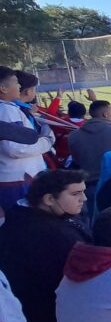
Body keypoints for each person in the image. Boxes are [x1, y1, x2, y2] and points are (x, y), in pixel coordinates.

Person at [0, 170, 90, 322]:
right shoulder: (52, 235)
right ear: (49, 199)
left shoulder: (22, 216)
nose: (84, 198)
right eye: (76, 194)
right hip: (49, 313)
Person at [0, 66, 55, 216]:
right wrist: (47, 142)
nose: (19, 86)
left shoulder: (9, 108)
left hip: (14, 178)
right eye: (16, 82)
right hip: (16, 180)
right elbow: (16, 148)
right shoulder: (6, 110)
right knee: (25, 223)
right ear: (3, 88)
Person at [68, 100, 111, 216]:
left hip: (89, 186)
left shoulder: (74, 136)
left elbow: (76, 160)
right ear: (105, 115)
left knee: (96, 220)